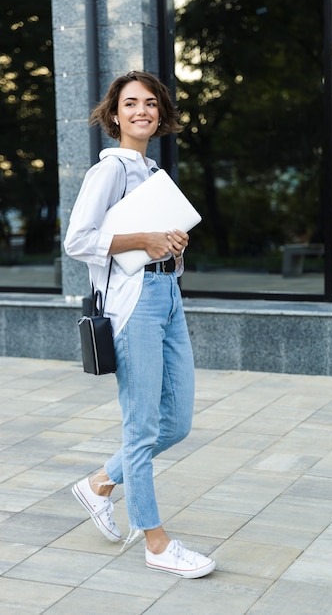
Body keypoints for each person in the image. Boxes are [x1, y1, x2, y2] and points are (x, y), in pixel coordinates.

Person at [64, 70, 216, 579]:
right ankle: (156, 543)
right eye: (130, 104)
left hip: (167, 295)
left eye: (150, 103)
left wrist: (170, 247)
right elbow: (78, 241)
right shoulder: (107, 172)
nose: (142, 111)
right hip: (133, 308)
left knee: (177, 424)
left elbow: (152, 241)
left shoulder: (151, 172)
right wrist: (144, 241)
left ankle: (100, 483)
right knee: (143, 427)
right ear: (114, 115)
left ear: (160, 114)